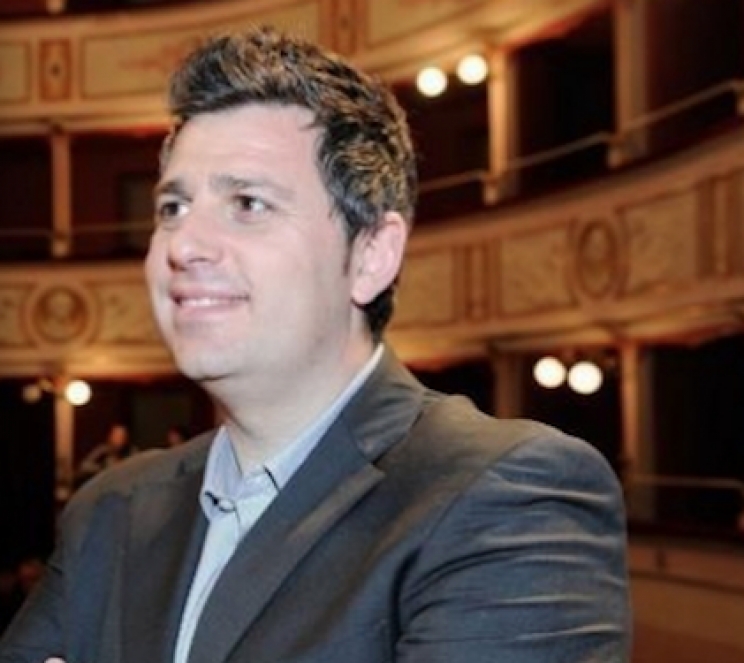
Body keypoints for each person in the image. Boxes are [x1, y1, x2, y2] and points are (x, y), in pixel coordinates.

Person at [0, 25, 631, 663]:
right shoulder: (109, 510)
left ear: (372, 255)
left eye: (248, 203)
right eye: (172, 208)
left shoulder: (508, 496)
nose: (183, 245)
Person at [73, 423, 136, 488]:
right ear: (111, 437)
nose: (119, 440)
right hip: (106, 485)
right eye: (116, 436)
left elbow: (136, 470)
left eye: (122, 437)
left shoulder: (132, 453)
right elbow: (84, 465)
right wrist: (102, 470)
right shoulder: (103, 451)